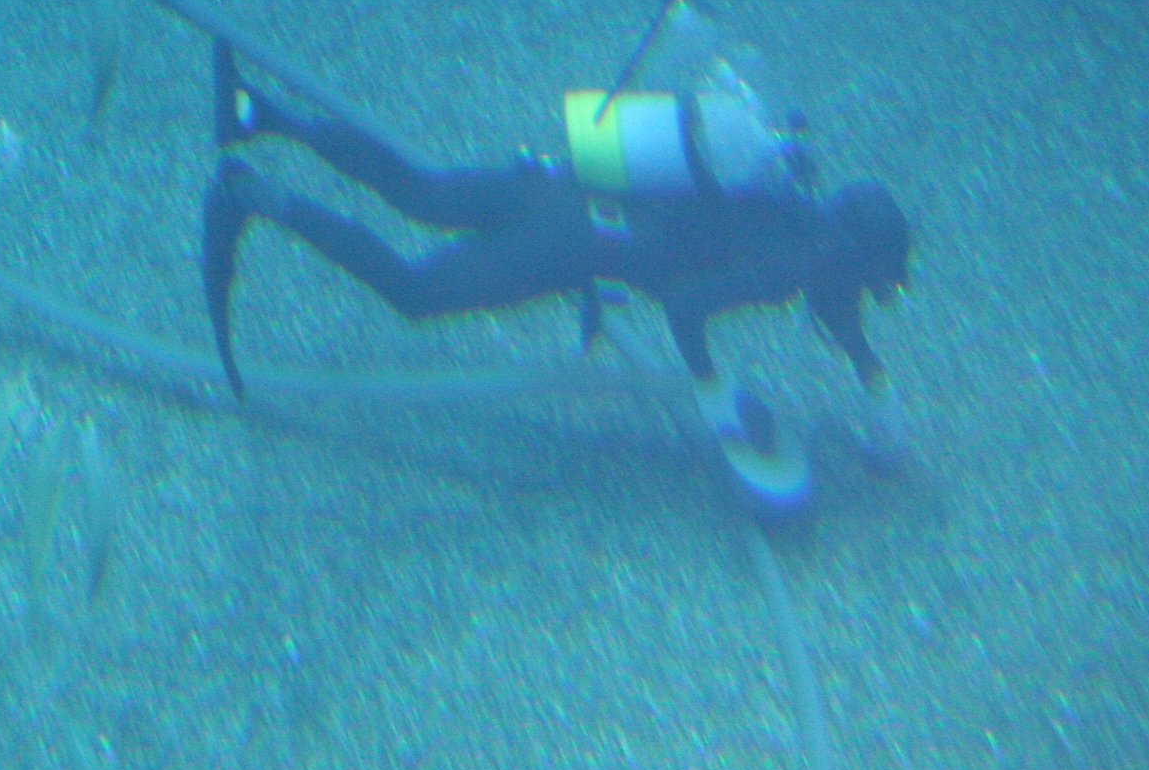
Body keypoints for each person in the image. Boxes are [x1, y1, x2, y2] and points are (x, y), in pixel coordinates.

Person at [198, 40, 913, 512]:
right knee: (417, 293)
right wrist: (713, 391)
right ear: (853, 258)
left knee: (421, 192)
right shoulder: (794, 263)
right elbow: (687, 306)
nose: (872, 294)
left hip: (565, 183)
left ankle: (258, 114)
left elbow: (842, 317)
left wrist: (877, 388)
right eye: (878, 279)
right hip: (575, 242)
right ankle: (254, 196)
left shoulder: (795, 209)